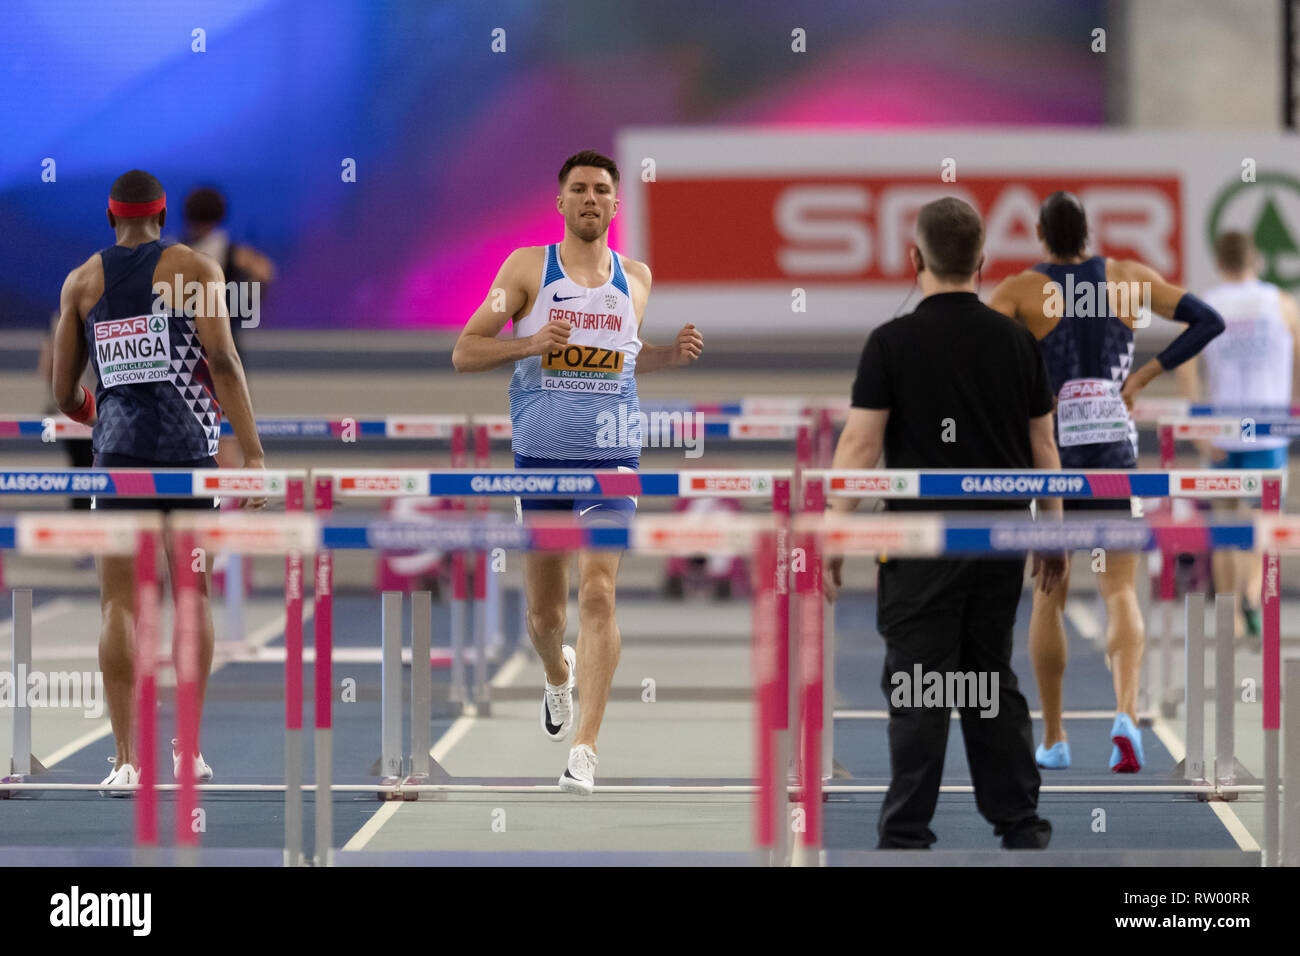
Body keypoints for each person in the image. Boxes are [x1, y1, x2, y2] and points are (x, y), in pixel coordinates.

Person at [452, 149, 703, 794]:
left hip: (612, 458)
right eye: (579, 189)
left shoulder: (637, 278)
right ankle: (557, 675)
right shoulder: (527, 269)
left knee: (598, 593)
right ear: (560, 201)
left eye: (601, 191)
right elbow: (465, 351)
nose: (591, 199)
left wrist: (667, 356)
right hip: (539, 462)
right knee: (544, 621)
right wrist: (532, 342)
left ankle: (585, 749)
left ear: (617, 205)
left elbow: (621, 359)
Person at [824, 197, 1061, 850]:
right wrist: (1053, 531)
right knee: (990, 674)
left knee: (919, 680)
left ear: (913, 258)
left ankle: (906, 829)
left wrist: (832, 531)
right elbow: (1046, 450)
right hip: (1002, 541)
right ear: (983, 262)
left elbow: (860, 447)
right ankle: (1020, 822)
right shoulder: (1018, 341)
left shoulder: (890, 342)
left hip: (916, 543)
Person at [989, 191, 1224, 772]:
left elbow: (976, 352)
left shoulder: (1021, 289)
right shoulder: (1127, 278)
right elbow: (1208, 321)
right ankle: (1126, 713)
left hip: (1054, 457)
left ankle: (1055, 737)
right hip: (1115, 452)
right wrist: (1145, 374)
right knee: (1119, 588)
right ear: (1088, 235)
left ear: (1042, 237)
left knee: (1050, 593)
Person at [52, 169, 267, 795]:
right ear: (163, 213)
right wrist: (252, 457)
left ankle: (125, 761)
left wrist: (100, 412)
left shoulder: (81, 283)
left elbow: (66, 395)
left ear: (109, 215)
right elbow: (223, 361)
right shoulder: (197, 269)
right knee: (190, 597)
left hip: (117, 464)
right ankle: (188, 752)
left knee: (119, 604)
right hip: (189, 460)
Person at [1176, 231, 1299, 637]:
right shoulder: (1280, 303)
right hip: (1268, 430)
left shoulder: (1208, 305)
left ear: (1220, 263)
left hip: (1223, 429)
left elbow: (1186, 365)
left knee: (1226, 526)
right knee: (1265, 523)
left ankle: (1229, 614)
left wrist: (1196, 419)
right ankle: (1252, 593)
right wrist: (1293, 403)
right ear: (1256, 260)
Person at [181, 186, 276, 469]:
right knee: (219, 436)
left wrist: (243, 302)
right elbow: (265, 272)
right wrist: (248, 300)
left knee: (215, 437)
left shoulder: (182, 252)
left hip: (199, 355)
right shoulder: (229, 252)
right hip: (208, 354)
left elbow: (264, 272)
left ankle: (217, 505)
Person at [38, 311, 95, 510]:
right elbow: (48, 363)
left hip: (77, 411)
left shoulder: (65, 312)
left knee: (81, 474)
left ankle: (84, 526)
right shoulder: (120, 309)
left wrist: (58, 398)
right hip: (101, 412)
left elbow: (47, 364)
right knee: (95, 475)